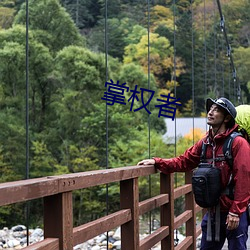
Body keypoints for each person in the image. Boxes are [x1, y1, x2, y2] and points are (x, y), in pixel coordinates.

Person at [137, 97, 250, 250]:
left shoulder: (238, 143)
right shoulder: (205, 143)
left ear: (227, 118)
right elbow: (184, 161)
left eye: (216, 110)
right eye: (210, 109)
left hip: (233, 211)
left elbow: (244, 178)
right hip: (213, 211)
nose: (210, 112)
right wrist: (157, 162)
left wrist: (236, 212)